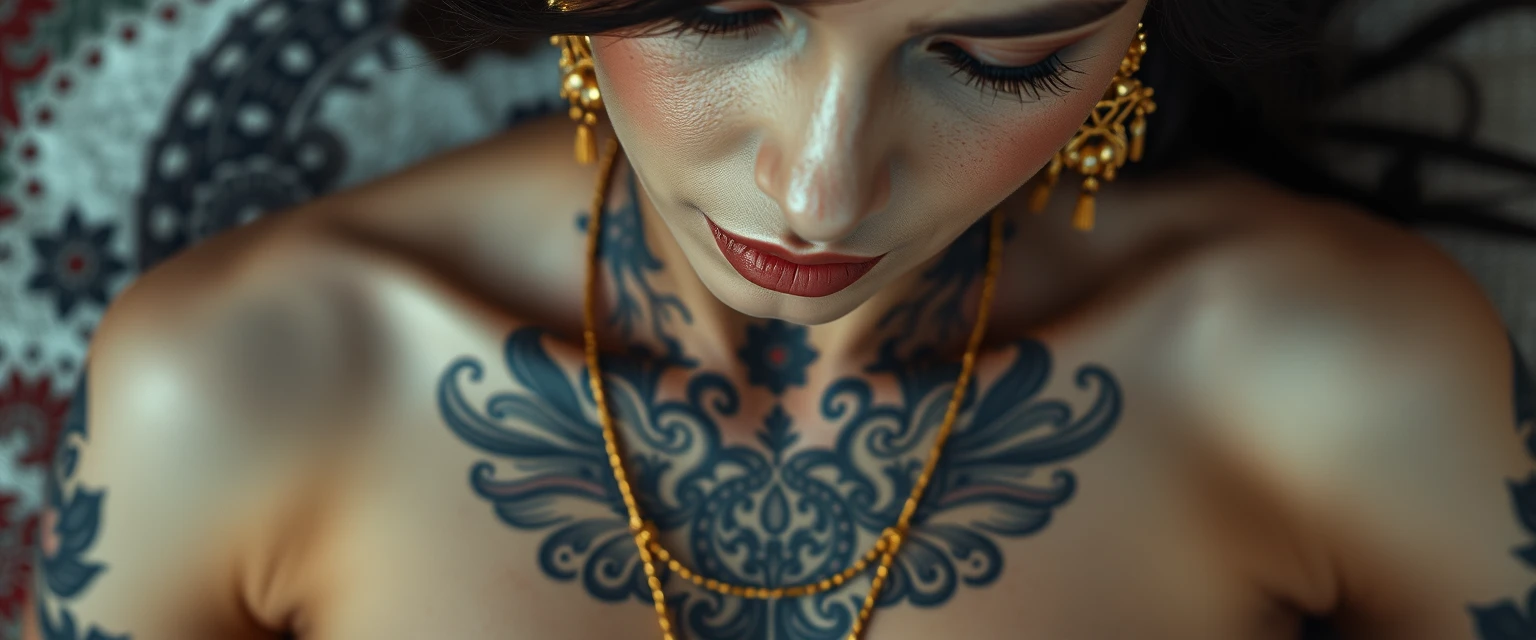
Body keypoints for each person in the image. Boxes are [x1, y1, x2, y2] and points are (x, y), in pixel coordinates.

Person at [24, 0, 1536, 638]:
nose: (818, 187)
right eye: (722, 14)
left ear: (1134, 44)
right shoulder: (235, 385)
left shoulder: (1351, 379)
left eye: (997, 60)